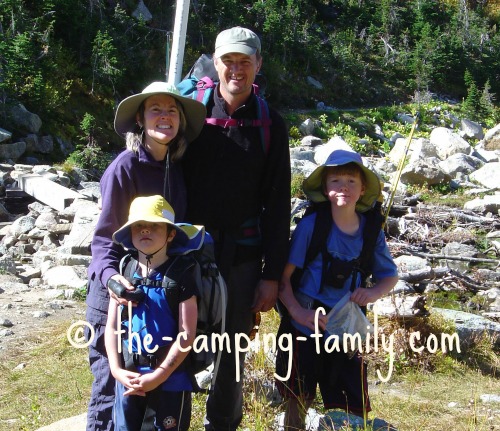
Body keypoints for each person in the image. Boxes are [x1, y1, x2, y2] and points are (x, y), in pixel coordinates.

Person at [180, 27, 291, 430]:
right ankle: (170, 421)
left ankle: (222, 424)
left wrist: (271, 276)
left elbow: (278, 204)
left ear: (258, 65)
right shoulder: (189, 112)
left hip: (242, 258)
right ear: (216, 61)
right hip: (185, 255)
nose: (236, 70)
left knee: (232, 355)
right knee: (175, 343)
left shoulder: (270, 125)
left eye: (245, 61)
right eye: (229, 61)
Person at [85, 82, 206, 431]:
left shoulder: (175, 166)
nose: (164, 116)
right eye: (155, 109)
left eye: (171, 110)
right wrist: (111, 280)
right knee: (112, 391)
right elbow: (104, 238)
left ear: (180, 120)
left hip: (157, 296)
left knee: (152, 396)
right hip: (118, 291)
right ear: (140, 118)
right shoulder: (125, 167)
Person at [275, 149, 399, 430]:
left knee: (348, 402)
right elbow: (283, 281)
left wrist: (372, 293)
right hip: (305, 325)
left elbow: (389, 277)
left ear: (363, 188)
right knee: (298, 396)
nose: (344, 187)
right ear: (324, 187)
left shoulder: (371, 232)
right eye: (336, 180)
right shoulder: (311, 226)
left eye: (352, 181)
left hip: (347, 330)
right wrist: (296, 313)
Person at [105, 195, 203, 431]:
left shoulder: (181, 275)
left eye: (155, 225)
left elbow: (186, 335)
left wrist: (158, 376)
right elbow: (112, 327)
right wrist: (116, 370)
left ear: (171, 234)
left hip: (170, 381)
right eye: (138, 225)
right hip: (128, 376)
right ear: (130, 233)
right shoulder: (125, 271)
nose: (145, 230)